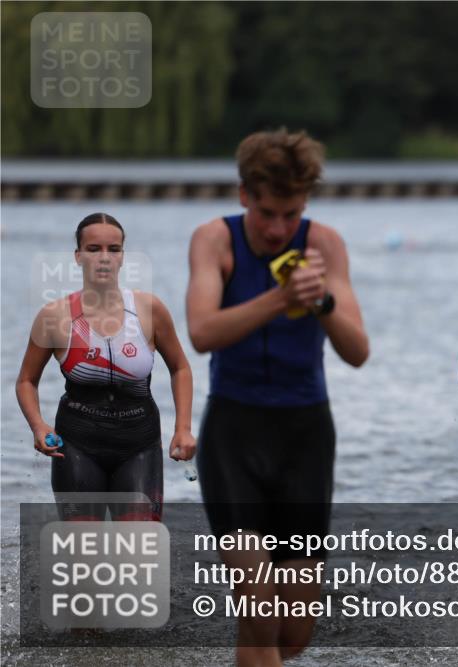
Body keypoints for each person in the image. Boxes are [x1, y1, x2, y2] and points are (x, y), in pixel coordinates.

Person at [186, 128, 368, 665]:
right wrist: (280, 298)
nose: (277, 228)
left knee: (293, 635)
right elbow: (201, 332)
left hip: (306, 435)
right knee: (257, 605)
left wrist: (323, 302)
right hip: (233, 433)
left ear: (305, 203)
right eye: (266, 212)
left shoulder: (324, 244)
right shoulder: (214, 240)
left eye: (290, 214)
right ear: (244, 195)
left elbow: (358, 352)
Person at [16, 212, 196, 522]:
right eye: (93, 249)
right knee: (85, 559)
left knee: (139, 557)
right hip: (75, 445)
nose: (104, 258)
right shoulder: (54, 316)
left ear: (123, 257)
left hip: (139, 444)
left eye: (113, 249)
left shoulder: (149, 310)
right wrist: (38, 426)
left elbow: (180, 367)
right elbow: (26, 381)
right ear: (78, 256)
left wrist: (182, 428)